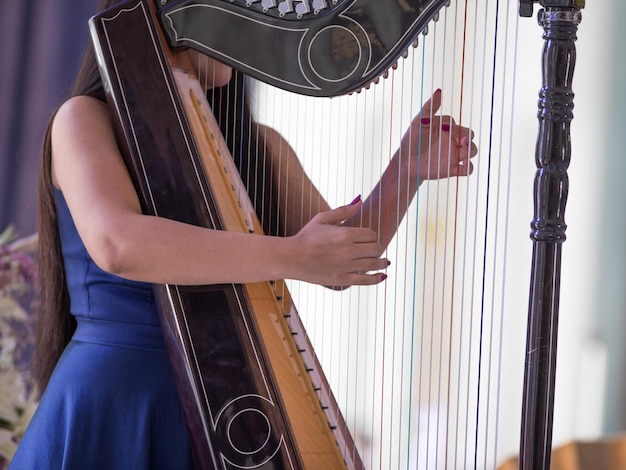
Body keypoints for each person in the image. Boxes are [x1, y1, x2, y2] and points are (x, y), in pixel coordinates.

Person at [10, 0, 477, 468]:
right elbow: (117, 245)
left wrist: (406, 171)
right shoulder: (84, 119)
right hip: (115, 398)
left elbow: (341, 255)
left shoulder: (260, 146)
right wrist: (291, 256)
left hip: (223, 401)